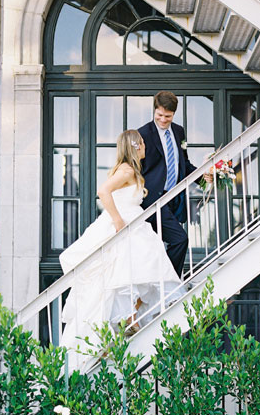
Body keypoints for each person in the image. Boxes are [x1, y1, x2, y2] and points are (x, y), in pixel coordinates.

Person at [59, 129, 182, 372]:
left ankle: (127, 321)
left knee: (135, 273)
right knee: (127, 275)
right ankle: (126, 322)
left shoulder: (130, 170)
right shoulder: (126, 170)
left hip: (133, 226)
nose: (146, 146)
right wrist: (117, 220)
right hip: (123, 226)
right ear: (135, 145)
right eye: (143, 143)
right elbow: (103, 192)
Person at [138, 91, 198, 277]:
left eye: (168, 116)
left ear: (174, 114)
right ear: (154, 110)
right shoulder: (143, 134)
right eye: (159, 115)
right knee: (180, 239)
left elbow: (183, 164)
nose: (163, 120)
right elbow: (136, 168)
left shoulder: (179, 131)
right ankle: (167, 281)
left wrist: (203, 177)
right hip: (153, 200)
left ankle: (161, 282)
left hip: (175, 198)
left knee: (163, 245)